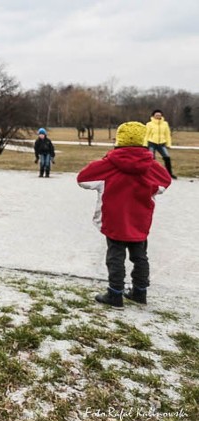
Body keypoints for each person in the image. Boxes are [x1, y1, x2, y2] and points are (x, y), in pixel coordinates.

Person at [77, 121, 171, 308]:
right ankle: (139, 292)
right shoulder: (151, 166)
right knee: (140, 256)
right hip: (140, 220)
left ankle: (115, 293)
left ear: (119, 141)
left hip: (114, 219)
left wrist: (106, 159)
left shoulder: (109, 165)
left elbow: (83, 178)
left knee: (115, 256)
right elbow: (164, 183)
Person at [145, 109, 177, 179]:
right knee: (152, 159)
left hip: (162, 143)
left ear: (161, 116)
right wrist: (145, 144)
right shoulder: (149, 124)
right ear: (153, 116)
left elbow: (167, 134)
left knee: (167, 157)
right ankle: (151, 174)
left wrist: (168, 144)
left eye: (159, 115)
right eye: (156, 115)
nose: (158, 116)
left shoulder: (165, 124)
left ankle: (169, 173)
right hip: (152, 143)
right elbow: (146, 134)